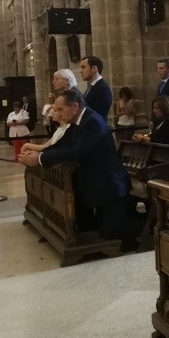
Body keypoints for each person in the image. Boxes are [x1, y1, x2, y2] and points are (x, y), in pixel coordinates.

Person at [18, 89, 136, 250]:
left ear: (74, 106)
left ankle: (146, 235)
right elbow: (61, 145)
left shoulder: (92, 121)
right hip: (96, 183)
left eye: (60, 109)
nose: (57, 113)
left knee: (110, 232)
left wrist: (39, 159)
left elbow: (75, 152)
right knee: (93, 226)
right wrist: (39, 153)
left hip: (111, 185)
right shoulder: (78, 122)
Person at [80, 56, 112, 121]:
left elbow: (97, 114)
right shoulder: (92, 87)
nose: (80, 71)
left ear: (94, 68)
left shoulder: (103, 88)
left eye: (83, 67)